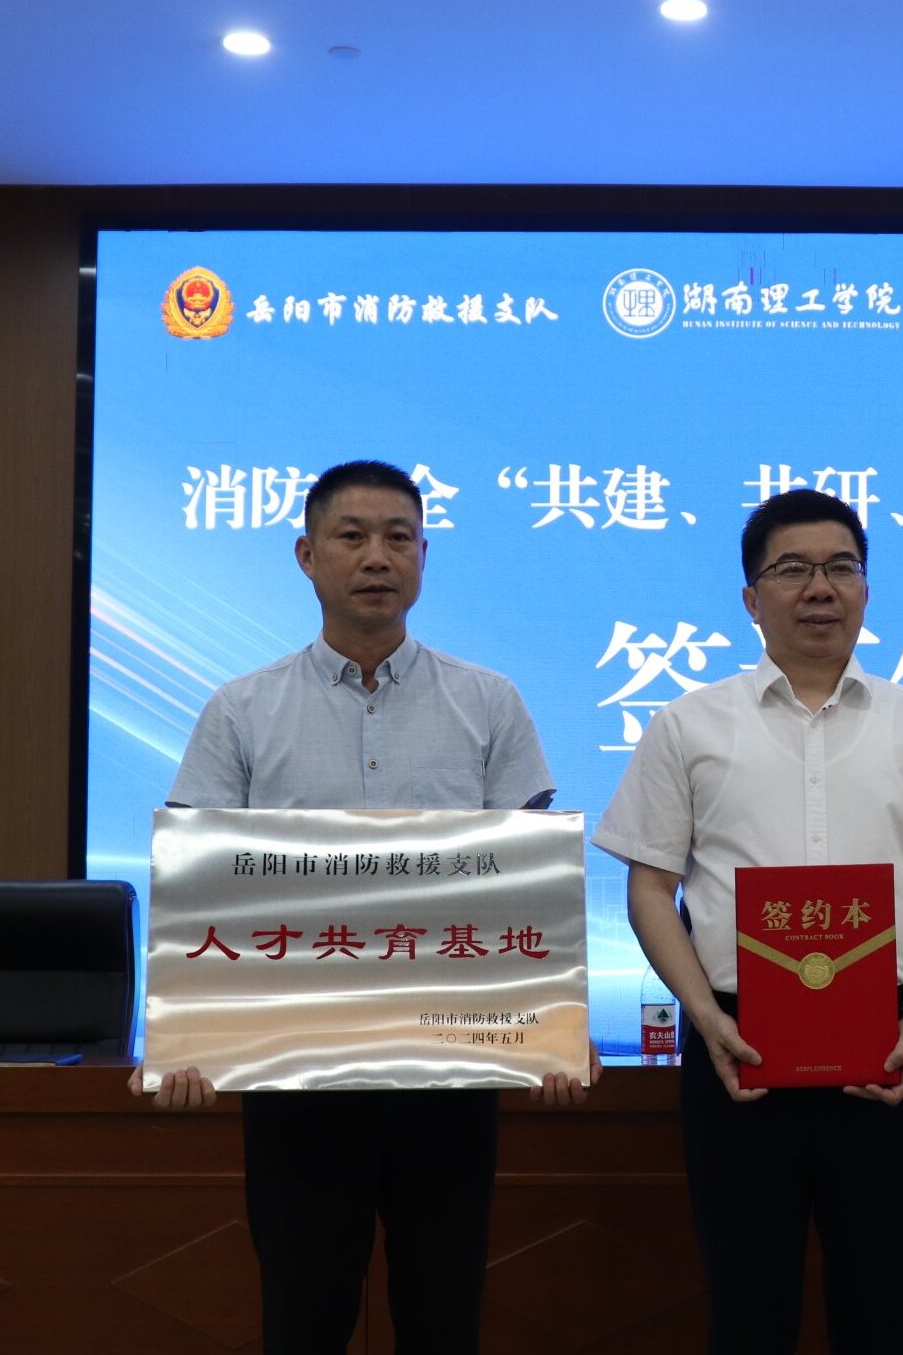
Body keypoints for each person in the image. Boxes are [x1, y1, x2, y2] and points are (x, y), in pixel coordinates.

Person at [134, 459, 600, 1355]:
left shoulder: (489, 701)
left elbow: (529, 883)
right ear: (307, 555)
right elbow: (198, 886)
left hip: (451, 1070)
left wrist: (556, 1024)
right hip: (295, 1077)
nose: (377, 557)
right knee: (303, 1321)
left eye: (398, 538)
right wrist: (181, 1041)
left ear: (425, 556)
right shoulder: (242, 710)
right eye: (351, 537)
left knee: (442, 1317)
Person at [592, 488, 903, 1355]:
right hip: (737, 1049)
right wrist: (704, 1017)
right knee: (747, 1311)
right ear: (752, 598)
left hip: (890, 1045)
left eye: (841, 568)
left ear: (866, 590)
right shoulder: (687, 725)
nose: (820, 588)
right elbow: (649, 887)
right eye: (793, 570)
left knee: (887, 1312)